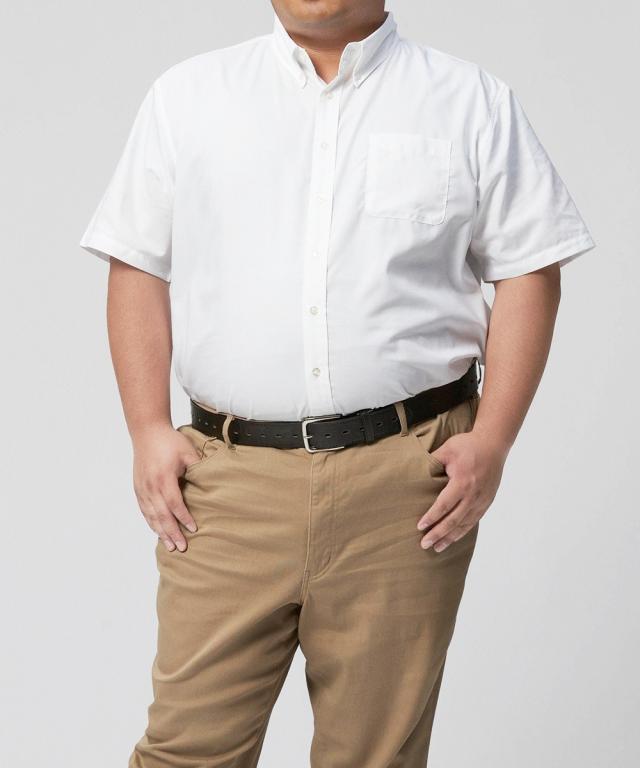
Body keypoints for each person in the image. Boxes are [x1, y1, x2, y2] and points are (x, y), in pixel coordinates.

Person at [79, 1, 595, 765]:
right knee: (187, 751)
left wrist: (494, 439)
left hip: (405, 485)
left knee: (375, 756)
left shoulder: (470, 101)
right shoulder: (188, 96)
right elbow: (136, 261)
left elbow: (528, 268)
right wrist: (147, 428)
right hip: (228, 486)